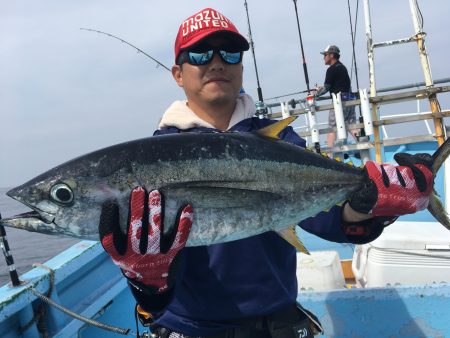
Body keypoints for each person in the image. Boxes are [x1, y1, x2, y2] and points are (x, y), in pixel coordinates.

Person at [99, 8, 434, 338]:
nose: (216, 62)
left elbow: (329, 220)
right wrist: (147, 281)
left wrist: (370, 203)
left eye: (229, 53)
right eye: (200, 54)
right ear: (178, 73)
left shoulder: (279, 139)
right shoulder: (155, 157)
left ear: (241, 68)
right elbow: (154, 303)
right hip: (189, 327)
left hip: (278, 324)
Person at [315, 45, 358, 153]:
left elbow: (326, 88)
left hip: (340, 102)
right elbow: (340, 84)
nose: (323, 57)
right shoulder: (342, 67)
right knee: (351, 126)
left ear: (331, 55)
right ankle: (363, 145)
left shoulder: (331, 69)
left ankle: (328, 156)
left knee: (332, 127)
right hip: (350, 99)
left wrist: (315, 94)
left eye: (325, 55)